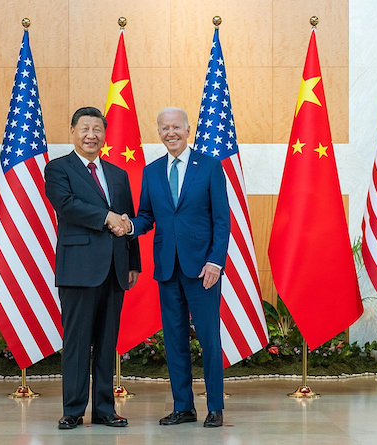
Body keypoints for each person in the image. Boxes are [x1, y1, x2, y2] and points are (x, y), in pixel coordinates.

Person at [121, 107, 230, 428]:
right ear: (159, 131)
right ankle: (184, 407)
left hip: (203, 270)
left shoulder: (210, 167)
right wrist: (128, 226)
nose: (171, 133)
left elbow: (222, 220)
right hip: (167, 269)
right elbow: (146, 217)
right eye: (164, 127)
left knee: (209, 339)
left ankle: (215, 407)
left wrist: (216, 261)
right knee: (175, 340)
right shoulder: (152, 171)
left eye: (176, 127)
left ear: (188, 130)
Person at [44, 107, 140, 429]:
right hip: (78, 269)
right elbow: (66, 205)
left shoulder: (118, 174)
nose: (91, 135)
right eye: (84, 128)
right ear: (72, 131)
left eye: (97, 129)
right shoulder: (58, 169)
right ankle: (72, 410)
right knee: (77, 342)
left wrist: (133, 263)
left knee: (106, 342)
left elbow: (127, 220)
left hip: (115, 269)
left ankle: (104, 409)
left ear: (104, 134)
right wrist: (105, 217)